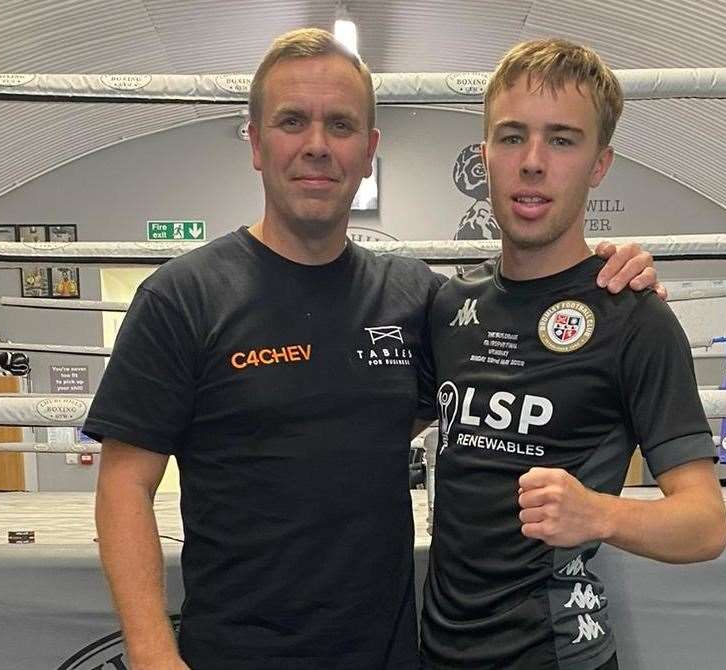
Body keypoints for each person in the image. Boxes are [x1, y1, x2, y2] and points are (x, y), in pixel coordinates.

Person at [84, 29, 659, 670]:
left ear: (368, 150)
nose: (316, 146)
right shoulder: (182, 298)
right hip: (234, 652)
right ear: (254, 141)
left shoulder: (417, 298)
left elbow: (512, 336)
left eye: (341, 125)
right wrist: (153, 656)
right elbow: (124, 488)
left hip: (388, 655)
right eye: (292, 121)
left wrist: (607, 276)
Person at [420, 39, 726, 670]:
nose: (532, 163)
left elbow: (705, 525)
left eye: (562, 140)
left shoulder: (634, 316)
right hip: (436, 652)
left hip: (557, 656)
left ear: (598, 163)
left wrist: (597, 513)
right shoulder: (451, 305)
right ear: (486, 155)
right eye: (511, 138)